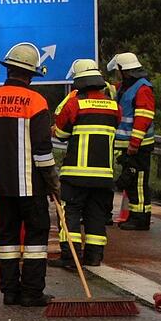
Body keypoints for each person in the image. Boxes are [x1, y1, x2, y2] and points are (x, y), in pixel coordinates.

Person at [0, 42, 58, 307]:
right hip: (32, 186)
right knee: (36, 237)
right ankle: (32, 292)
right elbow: (42, 150)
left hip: (1, 186)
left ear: (8, 71)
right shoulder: (37, 101)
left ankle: (10, 292)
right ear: (30, 74)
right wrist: (53, 182)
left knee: (7, 238)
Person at [50, 59, 121, 269]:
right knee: (97, 214)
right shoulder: (113, 106)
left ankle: (70, 257)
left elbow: (61, 134)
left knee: (70, 213)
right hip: (104, 176)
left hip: (76, 174)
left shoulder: (74, 104)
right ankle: (94, 256)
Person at [107, 52, 156, 230]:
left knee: (139, 183)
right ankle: (134, 216)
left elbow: (143, 118)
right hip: (129, 145)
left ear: (124, 71)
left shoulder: (142, 89)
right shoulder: (126, 87)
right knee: (132, 183)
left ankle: (141, 218)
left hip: (139, 146)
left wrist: (134, 144)